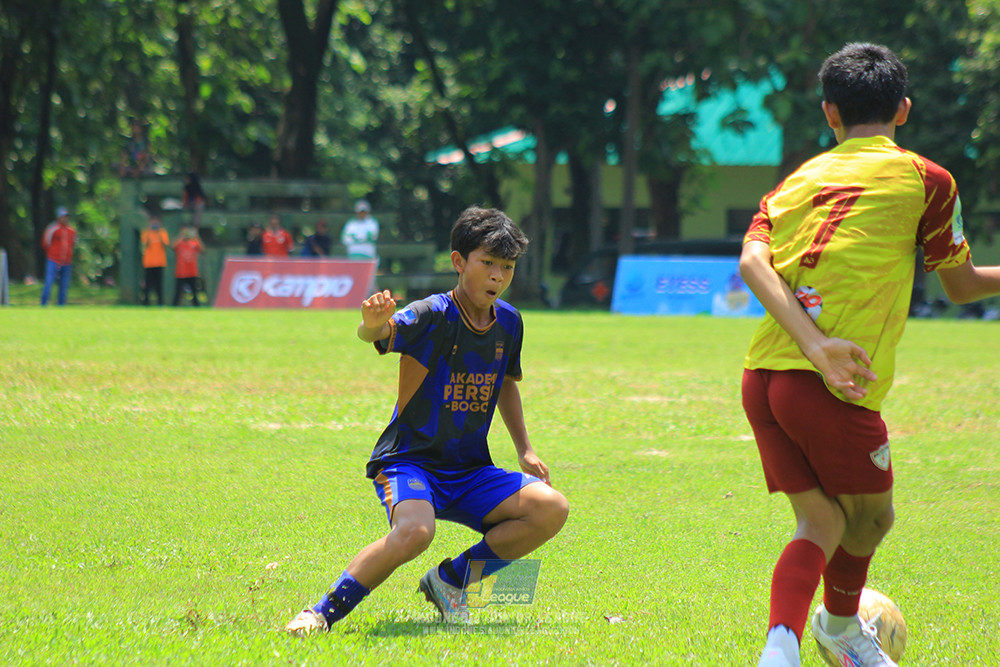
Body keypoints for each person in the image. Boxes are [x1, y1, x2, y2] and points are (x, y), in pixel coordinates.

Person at [740, 43, 1000, 667]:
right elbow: (960, 286)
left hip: (762, 377)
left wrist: (809, 343)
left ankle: (783, 647)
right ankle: (837, 625)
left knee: (823, 524)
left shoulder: (795, 181)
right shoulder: (926, 179)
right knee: (874, 518)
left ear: (830, 113)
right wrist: (822, 348)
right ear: (903, 110)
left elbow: (752, 260)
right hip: (833, 383)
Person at [285, 206, 569, 635]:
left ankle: (451, 583)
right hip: (410, 461)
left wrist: (525, 448)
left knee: (551, 509)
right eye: (487, 263)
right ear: (459, 262)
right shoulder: (433, 313)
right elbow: (379, 334)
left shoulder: (509, 321)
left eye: (506, 267)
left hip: (470, 469)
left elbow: (507, 382)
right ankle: (321, 613)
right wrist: (371, 325)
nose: (497, 276)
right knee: (416, 532)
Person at [40, 206, 77, 306]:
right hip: (53, 260)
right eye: (63, 217)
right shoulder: (52, 229)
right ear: (58, 217)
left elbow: (73, 243)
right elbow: (45, 243)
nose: (65, 219)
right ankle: (44, 304)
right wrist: (53, 254)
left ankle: (61, 305)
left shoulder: (71, 230)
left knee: (64, 286)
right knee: (49, 283)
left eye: (66, 217)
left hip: (67, 262)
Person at [171, 225, 205, 306]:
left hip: (192, 272)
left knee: (194, 292)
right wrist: (181, 236)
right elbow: (173, 246)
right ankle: (174, 306)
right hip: (181, 272)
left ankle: (196, 306)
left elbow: (202, 249)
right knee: (178, 292)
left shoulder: (193, 243)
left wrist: (196, 237)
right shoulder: (180, 243)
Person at [140, 215, 170, 306]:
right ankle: (146, 302)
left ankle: (160, 302)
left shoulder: (163, 233)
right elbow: (146, 244)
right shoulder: (146, 233)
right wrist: (150, 232)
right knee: (148, 284)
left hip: (160, 263)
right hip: (149, 263)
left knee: (159, 284)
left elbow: (165, 244)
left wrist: (159, 233)